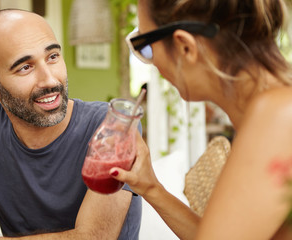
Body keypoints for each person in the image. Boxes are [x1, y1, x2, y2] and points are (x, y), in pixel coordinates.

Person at [0, 9, 141, 239]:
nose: (50, 80)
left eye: (52, 57)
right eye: (25, 67)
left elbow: (92, 237)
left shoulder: (111, 127)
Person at [108, 0, 292, 239]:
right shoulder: (273, 110)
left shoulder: (276, 117)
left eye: (146, 46)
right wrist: (151, 188)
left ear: (185, 47)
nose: (153, 64)